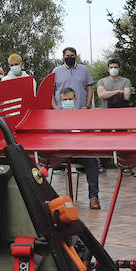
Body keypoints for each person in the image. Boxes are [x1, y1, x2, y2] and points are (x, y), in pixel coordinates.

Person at [50, 47, 101, 210]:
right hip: (62, 153)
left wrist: (86, 106)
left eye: (72, 56)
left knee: (92, 162)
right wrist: (57, 109)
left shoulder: (83, 70)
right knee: (42, 164)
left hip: (80, 151)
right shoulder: (56, 71)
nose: (69, 58)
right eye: (67, 56)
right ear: (63, 57)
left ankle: (93, 197)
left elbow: (90, 87)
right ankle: (45, 200)